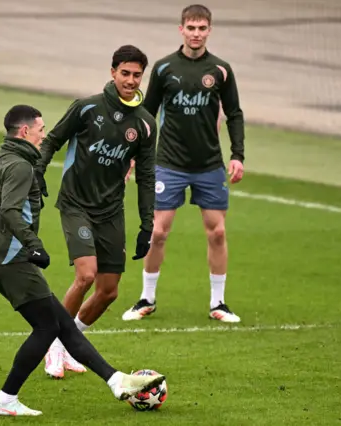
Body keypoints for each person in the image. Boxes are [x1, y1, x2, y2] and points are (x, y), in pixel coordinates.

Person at [0, 104, 164, 416]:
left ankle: (115, 380)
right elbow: (8, 211)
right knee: (48, 327)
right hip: (14, 260)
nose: (43, 134)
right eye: (40, 129)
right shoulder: (19, 166)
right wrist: (33, 246)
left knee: (60, 325)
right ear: (25, 131)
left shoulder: (0, 163)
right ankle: (5, 399)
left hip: (0, 261)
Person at [35, 45, 158, 379]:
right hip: (76, 204)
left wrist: (148, 225)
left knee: (108, 291)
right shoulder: (87, 107)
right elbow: (52, 140)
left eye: (137, 75)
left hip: (110, 211)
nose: (131, 80)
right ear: (113, 72)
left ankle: (69, 343)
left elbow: (146, 177)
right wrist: (38, 172)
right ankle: (52, 346)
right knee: (86, 275)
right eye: (125, 73)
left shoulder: (145, 125)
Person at [122, 4, 245, 323]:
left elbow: (234, 113)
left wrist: (237, 155)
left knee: (217, 232)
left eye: (202, 28)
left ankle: (218, 304)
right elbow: (146, 114)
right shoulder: (164, 69)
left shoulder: (221, 70)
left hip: (209, 165)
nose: (196, 34)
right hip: (169, 164)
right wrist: (133, 156)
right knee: (158, 232)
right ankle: (146, 298)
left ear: (209, 31)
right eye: (190, 28)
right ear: (181, 30)